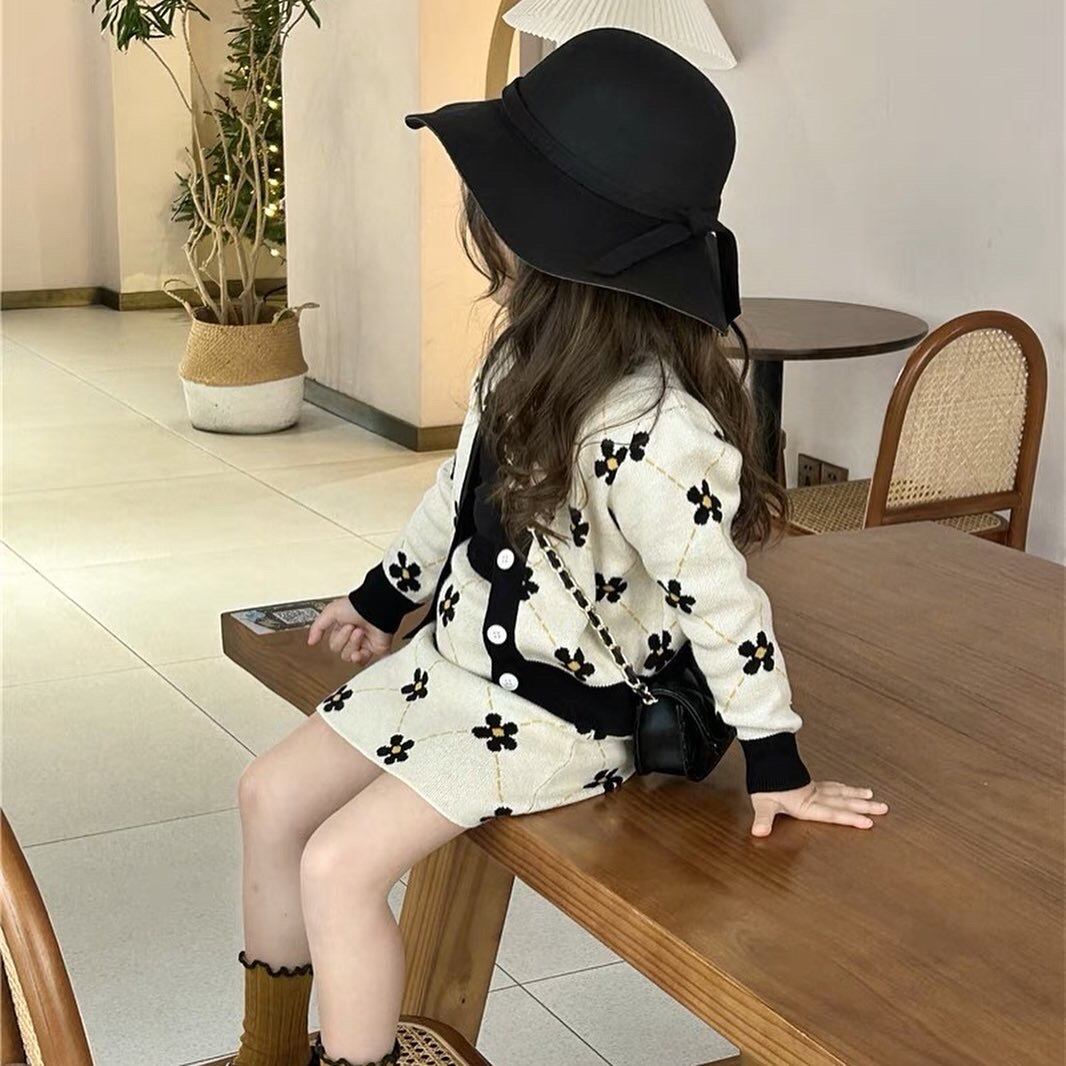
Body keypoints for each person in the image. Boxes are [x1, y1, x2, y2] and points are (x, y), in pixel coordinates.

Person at [229, 28, 888, 1066]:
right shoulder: (516, 361)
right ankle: (266, 1051)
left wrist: (777, 761)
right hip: (450, 667)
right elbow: (455, 500)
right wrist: (380, 598)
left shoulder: (657, 435)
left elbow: (726, 609)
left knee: (337, 868)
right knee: (266, 797)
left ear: (549, 240)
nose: (483, 235)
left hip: (553, 717)